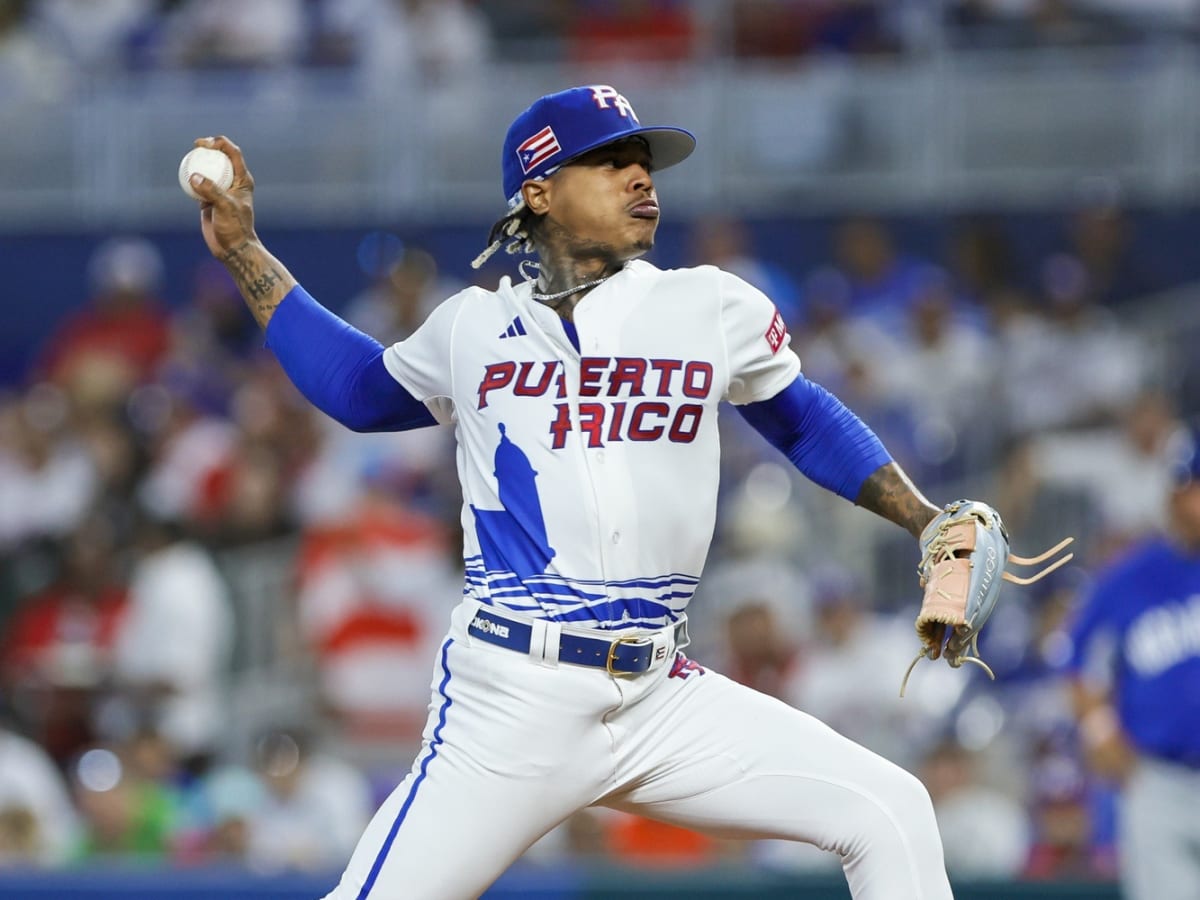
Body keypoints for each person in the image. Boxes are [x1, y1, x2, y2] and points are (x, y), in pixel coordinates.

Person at [185, 85, 975, 899]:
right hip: (512, 699)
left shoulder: (708, 303)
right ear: (538, 192)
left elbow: (803, 422)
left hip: (658, 695)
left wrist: (922, 520)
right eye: (609, 162)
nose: (641, 179)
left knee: (890, 810)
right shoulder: (472, 326)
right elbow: (357, 389)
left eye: (645, 163)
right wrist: (245, 250)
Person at [1063, 425, 1200, 900]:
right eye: (1189, 485)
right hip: (1160, 781)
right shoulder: (1130, 577)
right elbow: (1079, 660)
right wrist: (1099, 730)